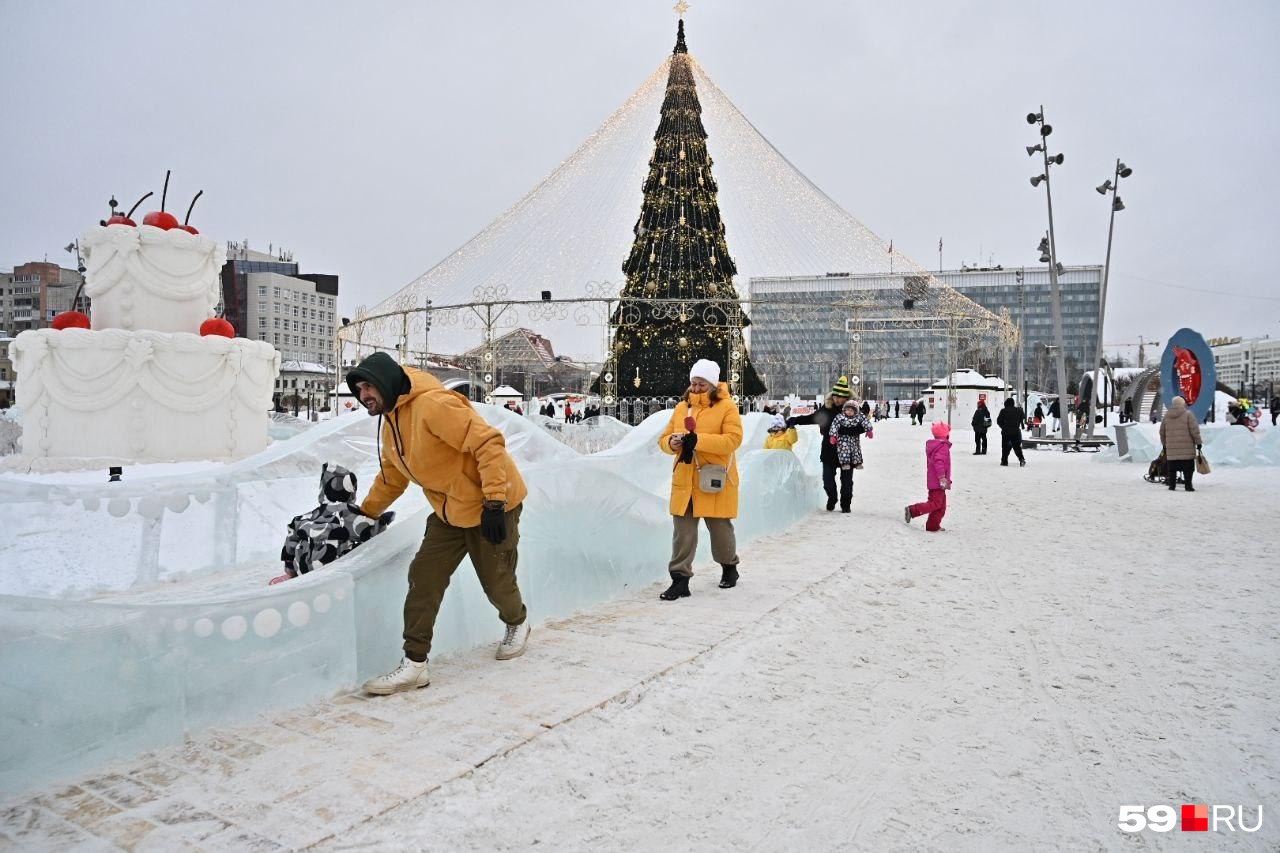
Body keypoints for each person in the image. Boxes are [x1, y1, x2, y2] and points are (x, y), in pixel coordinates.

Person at [346, 352, 531, 695]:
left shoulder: (434, 406)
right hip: (449, 513)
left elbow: (488, 443)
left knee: (496, 581)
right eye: (359, 389)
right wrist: (366, 513)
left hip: (493, 505)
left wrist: (494, 501)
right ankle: (415, 664)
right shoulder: (389, 425)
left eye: (368, 386)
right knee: (423, 578)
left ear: (386, 381)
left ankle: (516, 621)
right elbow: (392, 478)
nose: (363, 395)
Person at [659, 359, 743, 599]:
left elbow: (733, 440)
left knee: (720, 530)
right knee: (683, 533)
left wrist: (700, 440)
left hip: (713, 478)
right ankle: (680, 580)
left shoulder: (727, 407)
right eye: (693, 383)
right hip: (685, 479)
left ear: (713, 385)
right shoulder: (681, 408)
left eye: (701, 384)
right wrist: (671, 443)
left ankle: (729, 567)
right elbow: (663, 439)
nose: (695, 389)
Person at [787, 377, 854, 511]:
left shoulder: (851, 411)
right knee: (827, 479)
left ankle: (845, 504)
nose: (837, 399)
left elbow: (861, 425)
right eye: (835, 396)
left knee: (846, 481)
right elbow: (813, 418)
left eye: (840, 397)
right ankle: (832, 497)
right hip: (829, 449)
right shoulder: (827, 408)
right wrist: (796, 420)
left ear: (846, 398)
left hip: (847, 450)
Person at [904, 421, 952, 532]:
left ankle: (933, 526)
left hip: (935, 481)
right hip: (938, 482)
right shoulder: (942, 447)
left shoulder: (936, 445)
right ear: (945, 434)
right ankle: (912, 510)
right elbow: (939, 462)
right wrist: (942, 478)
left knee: (940, 506)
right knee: (935, 504)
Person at [828, 399, 872, 512]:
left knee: (856, 451)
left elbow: (865, 421)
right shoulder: (840, 417)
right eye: (847, 410)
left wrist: (869, 430)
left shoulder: (859, 416)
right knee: (844, 453)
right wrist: (833, 436)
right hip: (843, 442)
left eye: (851, 410)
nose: (849, 412)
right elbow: (834, 426)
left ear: (855, 411)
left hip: (854, 441)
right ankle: (845, 463)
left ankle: (857, 463)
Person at [1159, 395, 1202, 492]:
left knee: (1172, 469)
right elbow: (1194, 430)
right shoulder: (1188, 414)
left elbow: (1162, 432)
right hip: (1187, 449)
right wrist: (1198, 442)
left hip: (1172, 450)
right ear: (1183, 403)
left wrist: (1165, 444)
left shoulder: (1167, 415)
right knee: (1188, 468)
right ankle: (1188, 486)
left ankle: (1172, 485)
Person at [996, 397, 1027, 467]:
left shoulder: (1003, 411)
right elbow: (1023, 417)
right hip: (1016, 432)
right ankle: (1021, 459)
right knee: (1017, 447)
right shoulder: (1018, 410)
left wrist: (1003, 427)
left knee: (1005, 447)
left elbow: (998, 421)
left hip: (1006, 432)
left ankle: (1004, 461)